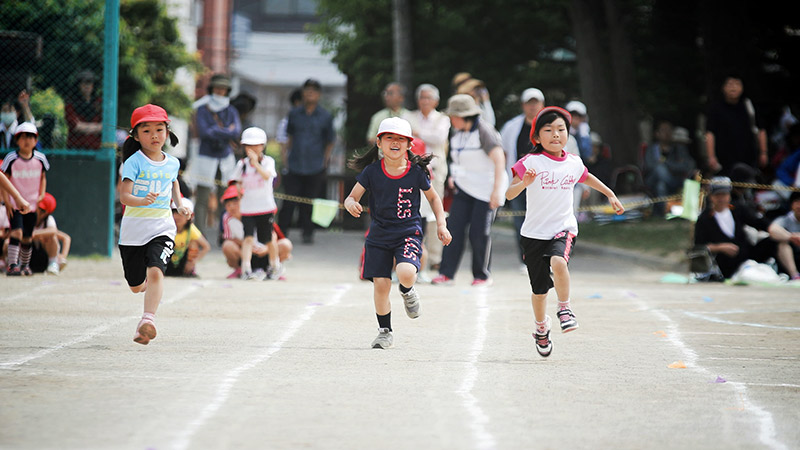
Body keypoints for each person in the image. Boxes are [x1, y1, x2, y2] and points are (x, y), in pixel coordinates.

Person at [505, 106, 624, 357]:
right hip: (533, 234)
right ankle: (540, 328)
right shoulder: (530, 162)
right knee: (539, 291)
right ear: (537, 137)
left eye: (561, 129)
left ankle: (565, 308)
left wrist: (610, 194)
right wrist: (523, 183)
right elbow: (509, 193)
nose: (555, 134)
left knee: (559, 262)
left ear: (568, 134)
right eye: (548, 130)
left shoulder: (573, 162)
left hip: (563, 228)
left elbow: (587, 177)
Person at [344, 117, 452, 349]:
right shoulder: (372, 172)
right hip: (378, 235)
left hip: (408, 232)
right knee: (381, 285)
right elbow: (352, 196)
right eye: (389, 138)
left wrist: (441, 224)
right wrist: (350, 203)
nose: (395, 142)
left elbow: (434, 197)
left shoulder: (415, 172)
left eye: (400, 139)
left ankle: (407, 290)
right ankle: (385, 331)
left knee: (405, 272)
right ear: (379, 143)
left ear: (409, 145)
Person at [118, 104, 191, 345]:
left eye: (160, 129)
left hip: (161, 228)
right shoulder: (133, 163)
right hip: (133, 232)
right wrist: (141, 200)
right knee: (136, 286)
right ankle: (147, 287)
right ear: (136, 136)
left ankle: (147, 321)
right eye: (147, 131)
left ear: (167, 133)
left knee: (156, 271)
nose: (155, 135)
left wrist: (179, 205)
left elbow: (174, 184)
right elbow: (124, 197)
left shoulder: (172, 163)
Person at [431, 94, 506, 287]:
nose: (451, 119)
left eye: (453, 116)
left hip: (485, 190)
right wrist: (453, 176)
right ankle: (446, 274)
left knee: (479, 233)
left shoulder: (484, 131)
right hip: (464, 188)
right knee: (453, 229)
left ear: (464, 116)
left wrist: (497, 191)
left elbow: (499, 159)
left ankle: (482, 275)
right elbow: (458, 159)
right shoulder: (457, 134)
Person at [277, 78, 335, 244]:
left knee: (310, 201)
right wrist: (285, 159)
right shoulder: (294, 113)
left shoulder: (325, 116)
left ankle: (308, 233)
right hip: (294, 163)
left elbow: (330, 140)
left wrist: (325, 161)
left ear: (319, 94)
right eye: (307, 90)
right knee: (289, 201)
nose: (310, 93)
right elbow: (289, 137)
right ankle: (281, 233)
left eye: (314, 90)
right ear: (302, 93)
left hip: (315, 164)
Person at [694, 176, 777, 280]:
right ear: (711, 197)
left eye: (724, 194)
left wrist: (786, 234)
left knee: (774, 240)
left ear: (729, 196)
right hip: (725, 264)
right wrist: (720, 247)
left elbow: (759, 222)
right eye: (717, 195)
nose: (721, 198)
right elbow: (699, 246)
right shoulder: (704, 218)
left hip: (746, 255)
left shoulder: (738, 209)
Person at [405, 83, 451, 274]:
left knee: (434, 213)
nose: (425, 101)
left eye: (429, 97)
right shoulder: (409, 116)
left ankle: (435, 257)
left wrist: (418, 134)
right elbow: (406, 136)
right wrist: (420, 136)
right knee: (412, 210)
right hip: (410, 171)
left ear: (436, 101)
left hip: (435, 172)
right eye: (422, 97)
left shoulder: (443, 119)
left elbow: (439, 138)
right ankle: (411, 252)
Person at [190, 73, 241, 237]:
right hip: (206, 157)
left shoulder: (231, 110)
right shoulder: (202, 109)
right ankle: (199, 234)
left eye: (223, 89)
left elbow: (237, 131)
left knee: (226, 197)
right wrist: (226, 131)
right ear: (212, 89)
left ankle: (225, 233)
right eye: (217, 88)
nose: (220, 92)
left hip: (225, 158)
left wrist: (217, 131)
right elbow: (204, 132)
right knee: (203, 197)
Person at [229, 127, 282, 280]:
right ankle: (246, 269)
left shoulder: (268, 162)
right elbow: (236, 181)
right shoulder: (242, 164)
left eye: (256, 145)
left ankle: (275, 265)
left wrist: (255, 164)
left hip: (265, 207)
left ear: (262, 146)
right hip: (247, 209)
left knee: (268, 238)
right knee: (248, 238)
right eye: (248, 146)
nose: (252, 149)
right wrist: (239, 190)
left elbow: (267, 177)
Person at [500, 87, 545, 265]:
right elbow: (502, 152)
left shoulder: (551, 125)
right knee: (521, 220)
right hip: (519, 180)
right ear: (523, 105)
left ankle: (543, 258)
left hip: (543, 182)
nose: (533, 107)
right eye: (529, 103)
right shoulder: (511, 127)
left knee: (542, 219)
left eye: (536, 103)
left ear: (542, 104)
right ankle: (526, 259)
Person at [2, 122, 49, 276]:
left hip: (32, 205)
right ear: (17, 140)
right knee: (16, 233)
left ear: (36, 141)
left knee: (28, 236)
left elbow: (43, 177)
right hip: (15, 205)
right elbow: (4, 181)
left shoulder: (40, 159)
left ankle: (25, 265)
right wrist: (7, 202)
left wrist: (41, 194)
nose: (26, 140)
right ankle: (12, 265)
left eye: (30, 137)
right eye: (22, 137)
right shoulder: (11, 158)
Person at [220, 185, 292, 280]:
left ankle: (273, 268)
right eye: (228, 204)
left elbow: (272, 234)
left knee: (286, 244)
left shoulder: (258, 212)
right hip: (245, 253)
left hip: (264, 250)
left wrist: (266, 248)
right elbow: (229, 238)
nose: (232, 207)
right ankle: (242, 269)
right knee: (227, 245)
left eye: (235, 202)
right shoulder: (227, 218)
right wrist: (249, 247)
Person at [705, 74, 768, 176]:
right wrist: (711, 156)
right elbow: (710, 133)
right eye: (729, 84)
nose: (733, 87)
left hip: (748, 157)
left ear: (742, 87)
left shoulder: (750, 107)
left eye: (737, 84)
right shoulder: (715, 108)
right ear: (723, 88)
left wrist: (763, 152)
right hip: (723, 159)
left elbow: (761, 130)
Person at [643, 121, 697, 215]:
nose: (667, 133)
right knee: (659, 169)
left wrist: (666, 163)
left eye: (669, 130)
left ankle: (665, 213)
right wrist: (673, 166)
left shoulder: (678, 149)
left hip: (674, 179)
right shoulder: (652, 149)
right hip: (653, 179)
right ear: (657, 134)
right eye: (663, 130)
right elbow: (650, 166)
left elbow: (687, 166)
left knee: (661, 185)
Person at [28, 192, 71, 275]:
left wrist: (63, 256)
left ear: (47, 213)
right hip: (29, 256)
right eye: (39, 207)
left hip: (43, 257)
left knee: (51, 236)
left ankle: (53, 264)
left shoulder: (48, 221)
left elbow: (64, 237)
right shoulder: (28, 217)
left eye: (43, 210)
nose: (39, 211)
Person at [166, 197, 210, 278]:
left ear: (190, 216)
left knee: (193, 243)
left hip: (183, 264)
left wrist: (193, 262)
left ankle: (190, 271)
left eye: (183, 213)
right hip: (167, 263)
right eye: (175, 212)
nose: (178, 216)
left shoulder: (191, 229)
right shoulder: (167, 227)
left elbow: (206, 246)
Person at [65, 70, 103, 150]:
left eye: (90, 83)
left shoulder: (99, 102)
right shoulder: (71, 102)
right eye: (84, 83)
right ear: (78, 85)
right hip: (76, 146)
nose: (87, 86)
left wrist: (84, 127)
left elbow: (104, 126)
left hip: (95, 147)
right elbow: (75, 125)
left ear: (93, 85)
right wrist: (95, 127)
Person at [769, 191, 800, 280]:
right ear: (792, 205)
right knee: (783, 243)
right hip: (790, 256)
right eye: (797, 202)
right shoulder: (784, 219)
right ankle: (795, 275)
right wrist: (791, 237)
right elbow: (773, 230)